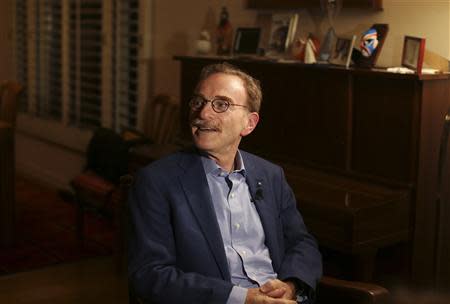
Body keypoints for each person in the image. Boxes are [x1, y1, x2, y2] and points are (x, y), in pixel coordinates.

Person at [128, 63, 322, 304]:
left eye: (221, 105)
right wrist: (243, 299)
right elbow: (149, 275)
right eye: (198, 102)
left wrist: (292, 286)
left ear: (249, 123)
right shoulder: (157, 181)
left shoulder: (271, 175)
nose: (203, 114)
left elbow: (302, 242)